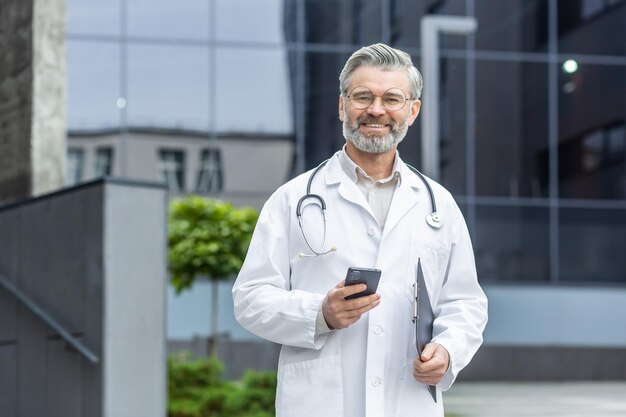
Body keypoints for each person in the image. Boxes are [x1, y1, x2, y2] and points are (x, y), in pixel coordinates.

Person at [232, 43, 487, 417]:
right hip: (321, 404)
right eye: (362, 96)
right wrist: (319, 313)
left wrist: (448, 350)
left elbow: (466, 301)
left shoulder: (438, 204)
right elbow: (250, 298)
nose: (376, 110)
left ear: (412, 111)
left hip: (407, 401)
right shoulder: (293, 199)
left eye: (392, 99)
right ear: (342, 106)